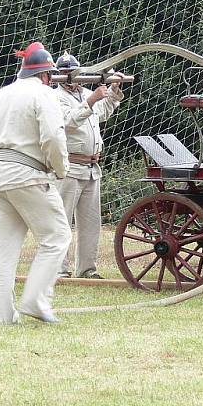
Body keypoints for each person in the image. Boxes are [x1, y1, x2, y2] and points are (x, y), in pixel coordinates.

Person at [0, 42, 72, 323]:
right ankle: (35, 300)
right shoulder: (44, 94)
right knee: (57, 237)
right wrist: (60, 169)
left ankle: (5, 316)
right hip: (28, 175)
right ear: (46, 75)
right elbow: (53, 138)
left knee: (5, 251)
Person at [53, 52, 126, 280]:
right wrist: (92, 100)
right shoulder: (54, 97)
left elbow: (103, 112)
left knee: (91, 223)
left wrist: (114, 90)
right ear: (59, 75)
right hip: (69, 167)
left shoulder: (85, 93)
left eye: (75, 72)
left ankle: (87, 269)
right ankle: (58, 270)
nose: (73, 78)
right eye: (67, 73)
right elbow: (67, 121)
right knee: (61, 221)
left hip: (92, 167)